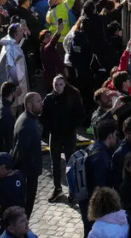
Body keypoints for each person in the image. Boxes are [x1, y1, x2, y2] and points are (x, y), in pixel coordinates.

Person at [42, 73, 86, 201]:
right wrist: (50, 128)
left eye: (60, 84)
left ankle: (72, 191)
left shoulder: (72, 97)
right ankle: (57, 188)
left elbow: (81, 115)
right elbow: (43, 116)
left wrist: (71, 127)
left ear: (65, 85)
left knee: (70, 163)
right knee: (55, 163)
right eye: (56, 85)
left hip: (68, 135)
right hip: (55, 134)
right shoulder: (49, 99)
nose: (58, 87)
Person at [13, 91, 45, 216]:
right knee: (26, 207)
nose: (41, 104)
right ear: (29, 105)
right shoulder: (28, 125)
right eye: (38, 101)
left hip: (29, 171)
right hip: (27, 173)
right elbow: (19, 151)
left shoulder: (28, 119)